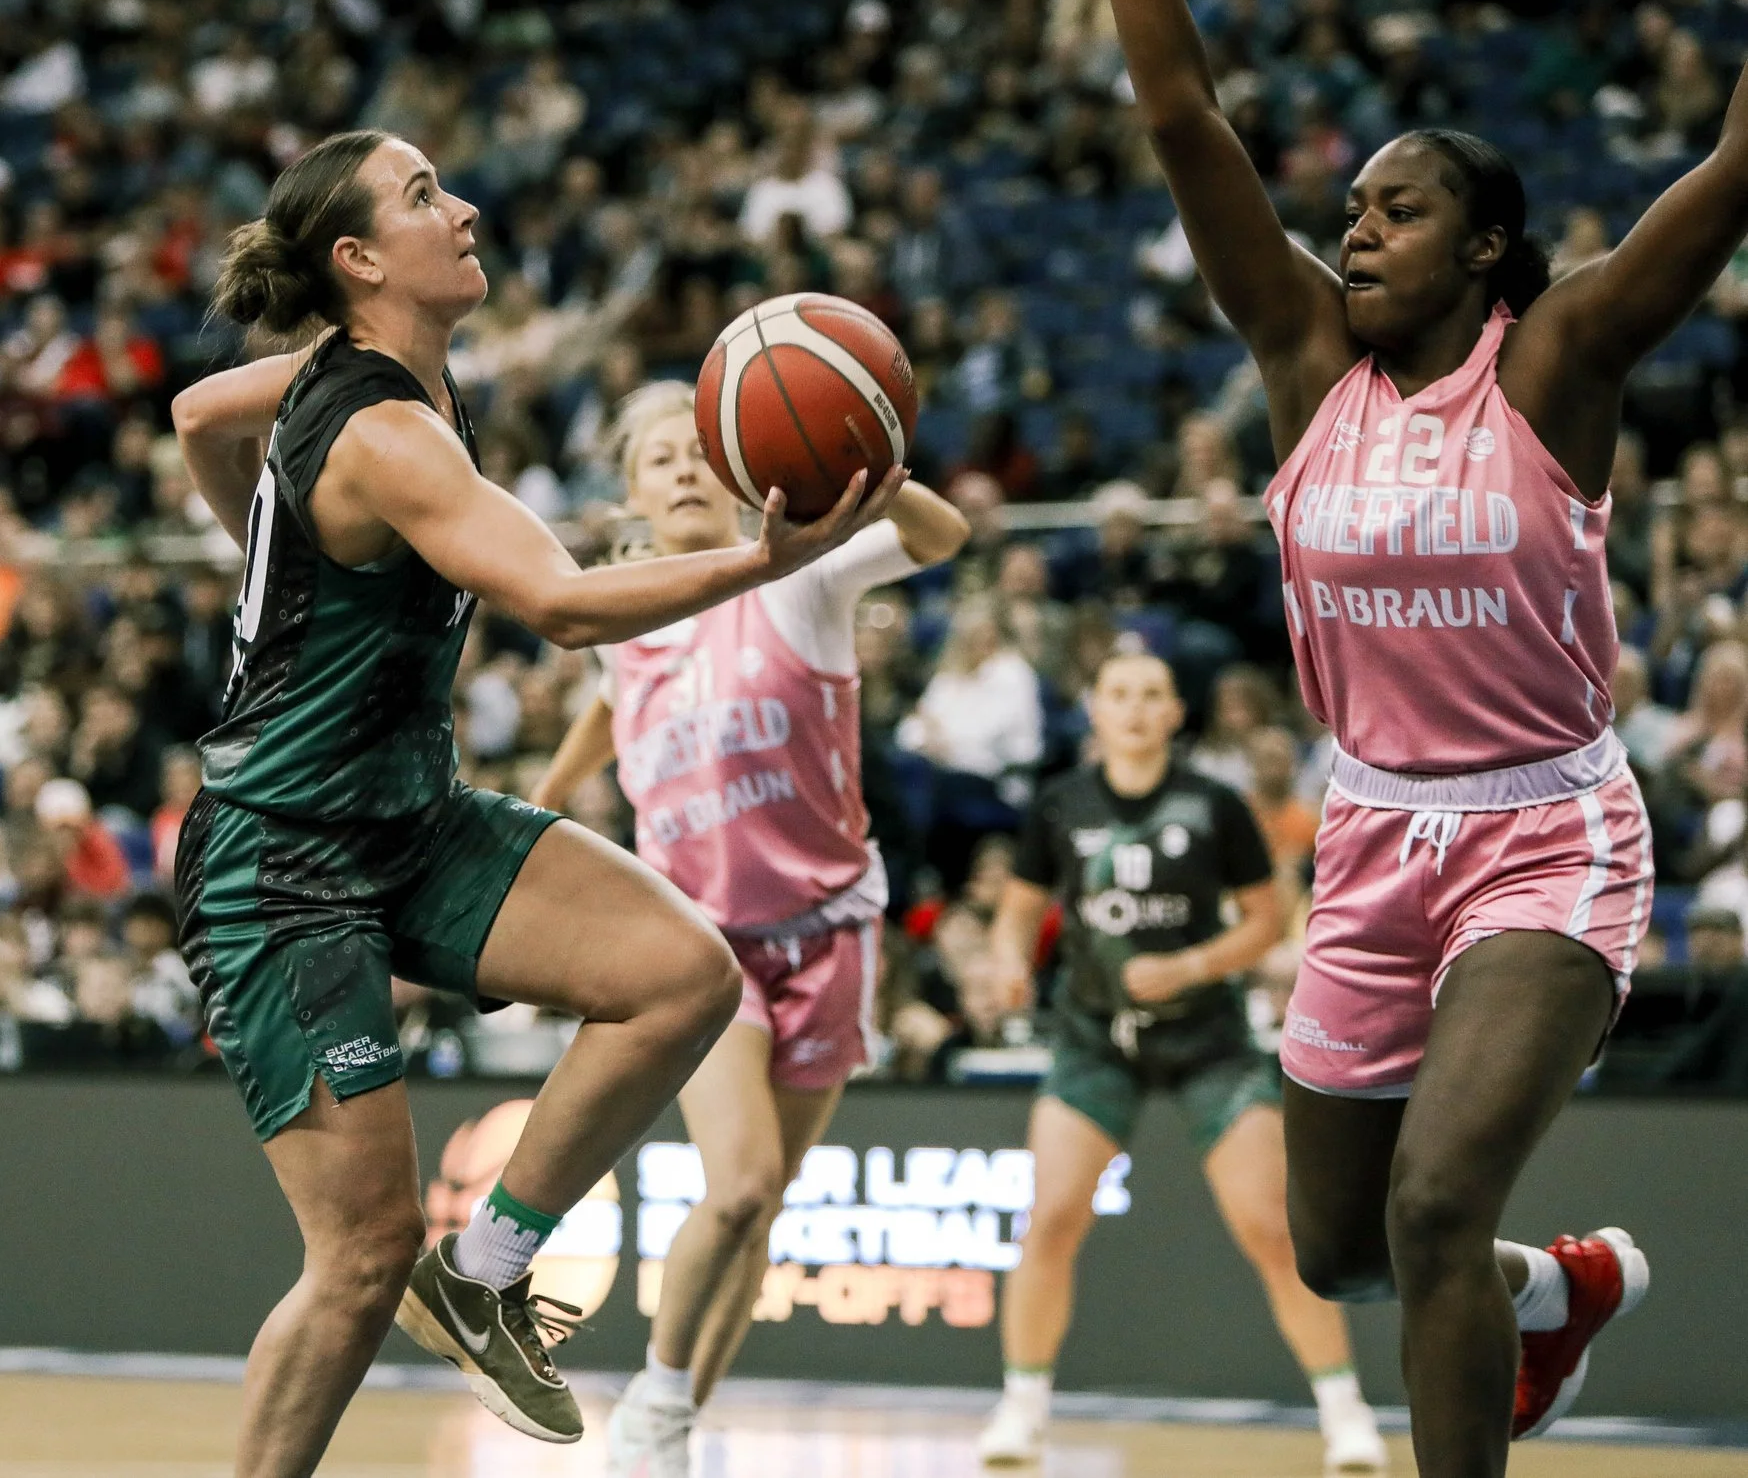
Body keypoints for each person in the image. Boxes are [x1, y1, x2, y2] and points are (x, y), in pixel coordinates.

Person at [1076, 0, 1748, 1466]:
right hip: (1373, 826)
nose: (1358, 229)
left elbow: (1739, 168)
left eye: (1399, 209)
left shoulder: (1558, 358)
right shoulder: (1308, 360)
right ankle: (1553, 1291)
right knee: (1347, 1243)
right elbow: (1181, 112)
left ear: (1486, 247)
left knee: (1437, 1200)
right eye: (1353, 207)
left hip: (1546, 827)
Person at [172, 127, 900, 1478]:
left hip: (408, 815)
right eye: (424, 195)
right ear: (358, 259)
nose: (463, 208)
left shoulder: (375, 379)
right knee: (358, 1254)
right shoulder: (384, 429)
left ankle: (485, 1272)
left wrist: (276, 561)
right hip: (281, 859)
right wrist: (764, 560)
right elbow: (561, 603)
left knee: (680, 972)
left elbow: (199, 415)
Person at [525, 382, 969, 1478]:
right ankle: (655, 1406)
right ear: (631, 493)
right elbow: (607, 697)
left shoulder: (802, 574)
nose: (680, 467)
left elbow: (944, 539)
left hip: (828, 928)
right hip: (701, 950)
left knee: (759, 1205)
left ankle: (671, 1418)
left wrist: (877, 485)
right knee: (735, 1183)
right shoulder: (621, 607)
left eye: (696, 450)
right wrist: (545, 797)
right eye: (657, 457)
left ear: (735, 468)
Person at [967, 651, 1386, 1471]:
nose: (1134, 707)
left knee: (1272, 1228)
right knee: (1048, 1220)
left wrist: (1191, 966)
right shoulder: (1060, 805)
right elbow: (1017, 911)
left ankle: (1346, 1411)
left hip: (1207, 1040)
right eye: (1118, 693)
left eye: (1151, 694)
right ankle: (1022, 1406)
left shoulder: (1215, 804)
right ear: (1095, 710)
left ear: (1173, 713)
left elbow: (1266, 922)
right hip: (1095, 1037)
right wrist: (1009, 958)